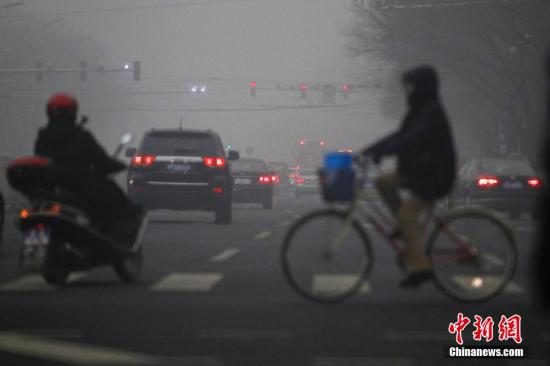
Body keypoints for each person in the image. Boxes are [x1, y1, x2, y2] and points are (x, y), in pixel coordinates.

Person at [360, 65, 457, 287]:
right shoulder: (419, 110)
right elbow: (400, 135)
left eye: (410, 85)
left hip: (434, 176)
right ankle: (404, 230)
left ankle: (421, 266)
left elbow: (412, 139)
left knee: (407, 216)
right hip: (418, 172)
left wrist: (383, 152)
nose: (407, 90)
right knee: (382, 181)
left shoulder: (431, 113)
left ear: (421, 87)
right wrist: (370, 150)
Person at [35, 93, 141, 247]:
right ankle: (118, 238)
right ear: (73, 113)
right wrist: (118, 165)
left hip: (52, 185)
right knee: (116, 200)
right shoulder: (80, 136)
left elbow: (39, 158)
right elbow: (101, 161)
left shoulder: (42, 137)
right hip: (80, 185)